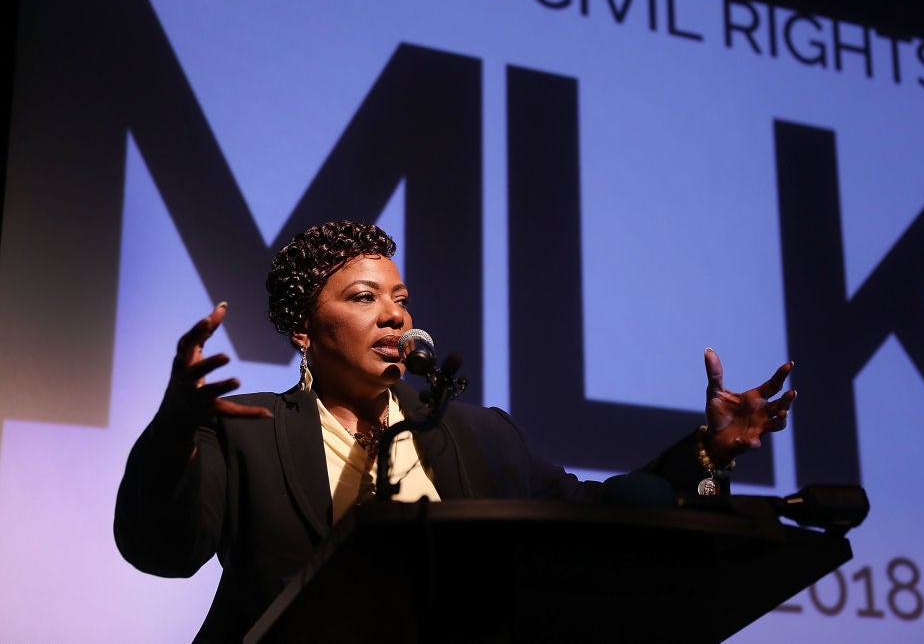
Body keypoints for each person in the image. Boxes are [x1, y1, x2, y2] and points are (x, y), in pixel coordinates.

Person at [114, 219, 796, 642]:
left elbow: (598, 513)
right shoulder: (248, 430)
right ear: (303, 330)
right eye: (362, 297)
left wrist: (707, 451)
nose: (393, 315)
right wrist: (175, 429)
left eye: (400, 299)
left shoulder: (475, 435)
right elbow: (162, 549)